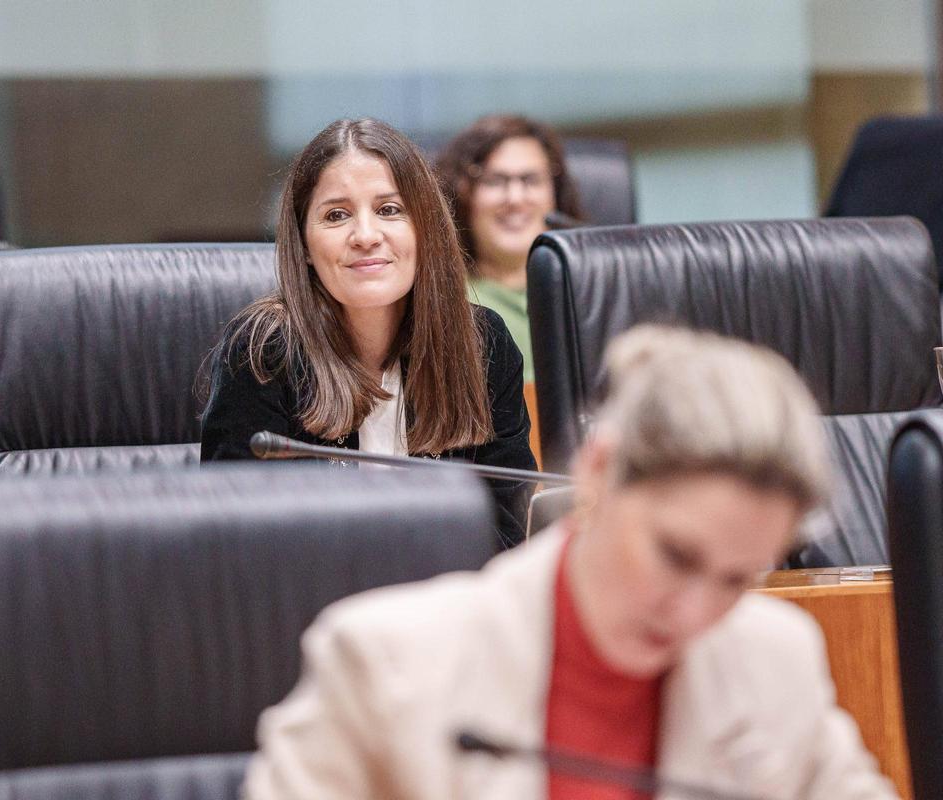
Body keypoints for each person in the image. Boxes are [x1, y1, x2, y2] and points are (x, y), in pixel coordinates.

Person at [242, 325, 898, 800]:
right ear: (597, 472)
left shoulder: (774, 660)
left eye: (736, 579)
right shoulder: (386, 667)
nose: (695, 610)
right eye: (675, 555)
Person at [200, 118, 536, 548]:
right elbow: (238, 540)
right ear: (303, 244)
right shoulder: (264, 353)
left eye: (389, 210)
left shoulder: (482, 345)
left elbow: (506, 530)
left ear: (425, 228)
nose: (365, 235)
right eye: (336, 215)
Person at [436, 115, 585, 383]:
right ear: (463, 196)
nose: (515, 198)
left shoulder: (593, 288)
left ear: (556, 196)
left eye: (531, 180)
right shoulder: (440, 299)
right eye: (495, 181)